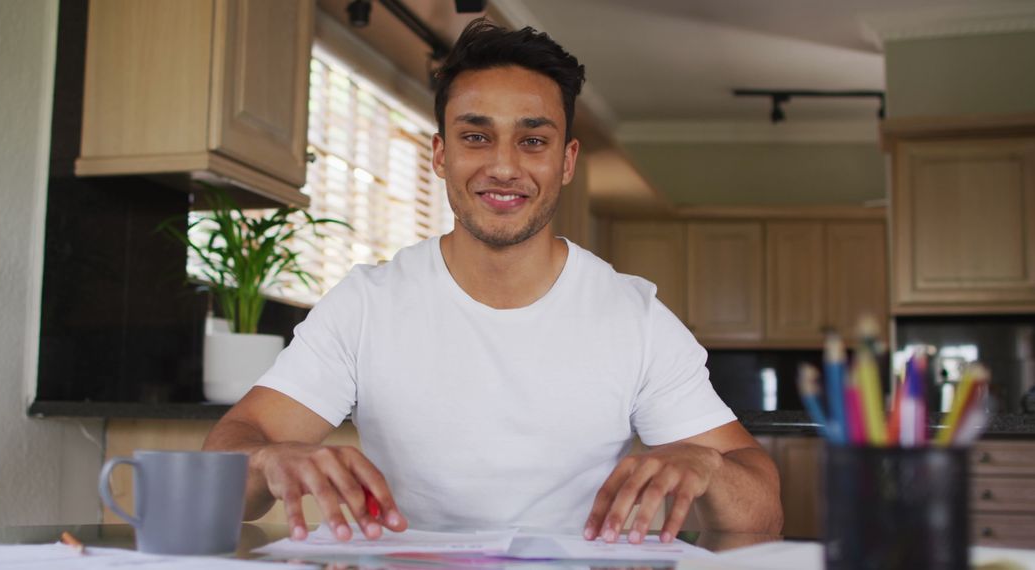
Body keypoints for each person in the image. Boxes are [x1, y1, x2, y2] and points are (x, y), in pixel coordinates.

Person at [203, 18, 782, 545]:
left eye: (533, 140)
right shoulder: (366, 304)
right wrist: (263, 462)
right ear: (440, 153)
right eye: (476, 136)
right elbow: (237, 442)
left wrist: (706, 468)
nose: (503, 166)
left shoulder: (635, 317)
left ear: (567, 160)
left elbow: (761, 513)